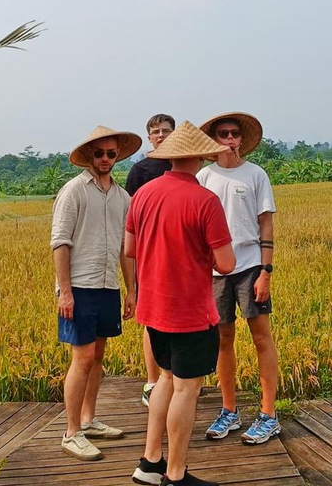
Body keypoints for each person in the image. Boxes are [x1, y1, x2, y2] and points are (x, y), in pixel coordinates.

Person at [126, 121, 235, 486]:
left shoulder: (142, 194)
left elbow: (129, 250)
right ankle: (176, 474)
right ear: (201, 155)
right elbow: (227, 264)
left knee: (165, 381)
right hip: (190, 309)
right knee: (187, 389)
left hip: (153, 308)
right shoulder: (206, 200)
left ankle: (150, 462)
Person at [51, 125, 140, 461]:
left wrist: (131, 290)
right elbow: (60, 242)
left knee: (98, 356)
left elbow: (124, 248)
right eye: (99, 153)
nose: (105, 159)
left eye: (111, 154)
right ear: (89, 155)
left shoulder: (122, 197)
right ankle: (71, 432)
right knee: (82, 357)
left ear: (118, 156)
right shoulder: (73, 191)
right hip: (80, 285)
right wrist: (65, 292)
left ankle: (88, 419)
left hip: (107, 286)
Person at [197, 112, 281, 445]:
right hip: (215, 271)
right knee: (222, 340)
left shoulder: (256, 175)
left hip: (249, 267)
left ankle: (268, 414)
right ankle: (229, 410)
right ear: (213, 140)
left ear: (242, 140)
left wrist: (266, 271)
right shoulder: (203, 177)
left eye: (234, 134)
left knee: (261, 337)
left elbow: (266, 226)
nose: (229, 139)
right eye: (222, 134)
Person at [125, 113, 175, 408]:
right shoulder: (140, 172)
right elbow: (131, 220)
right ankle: (152, 381)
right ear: (149, 137)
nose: (161, 135)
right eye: (156, 131)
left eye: (166, 130)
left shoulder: (183, 164)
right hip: (149, 255)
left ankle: (179, 379)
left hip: (182, 257)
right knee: (151, 318)